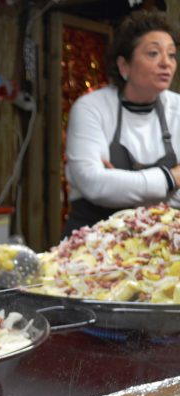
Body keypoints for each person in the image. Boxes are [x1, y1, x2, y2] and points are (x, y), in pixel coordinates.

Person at [63, 10, 180, 237]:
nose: (166, 63)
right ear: (124, 65)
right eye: (154, 53)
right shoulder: (91, 108)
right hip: (93, 242)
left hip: (164, 242)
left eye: (172, 55)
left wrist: (120, 185)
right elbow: (93, 184)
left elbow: (107, 186)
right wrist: (172, 178)